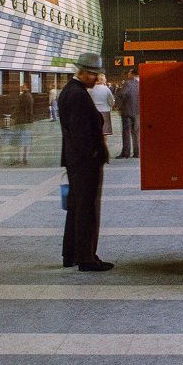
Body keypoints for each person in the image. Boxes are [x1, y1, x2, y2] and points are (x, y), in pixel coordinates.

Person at [58, 53, 113, 271]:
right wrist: (92, 155)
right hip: (84, 163)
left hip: (75, 161)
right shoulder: (78, 95)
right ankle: (86, 258)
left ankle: (70, 254)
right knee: (86, 210)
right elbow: (81, 132)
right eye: (92, 74)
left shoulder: (70, 91)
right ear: (81, 71)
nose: (95, 78)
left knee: (75, 208)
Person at [115, 68, 139, 158]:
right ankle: (137, 152)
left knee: (126, 132)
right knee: (136, 132)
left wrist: (120, 106)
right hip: (138, 112)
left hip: (127, 111)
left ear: (132, 74)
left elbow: (121, 94)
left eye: (129, 73)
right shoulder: (140, 83)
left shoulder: (128, 83)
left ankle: (126, 152)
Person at [87, 72, 115, 142]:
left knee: (93, 132)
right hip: (105, 112)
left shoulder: (89, 90)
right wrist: (110, 105)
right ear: (103, 80)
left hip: (93, 112)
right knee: (104, 133)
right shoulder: (106, 89)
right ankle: (103, 148)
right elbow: (111, 102)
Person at [11, 84, 34, 165]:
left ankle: (19, 159)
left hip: (21, 121)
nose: (21, 87)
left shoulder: (22, 96)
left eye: (22, 87)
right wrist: (30, 120)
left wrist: (12, 116)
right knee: (27, 141)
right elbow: (30, 110)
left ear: (26, 88)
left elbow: (18, 109)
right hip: (28, 121)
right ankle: (25, 159)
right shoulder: (30, 96)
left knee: (19, 141)